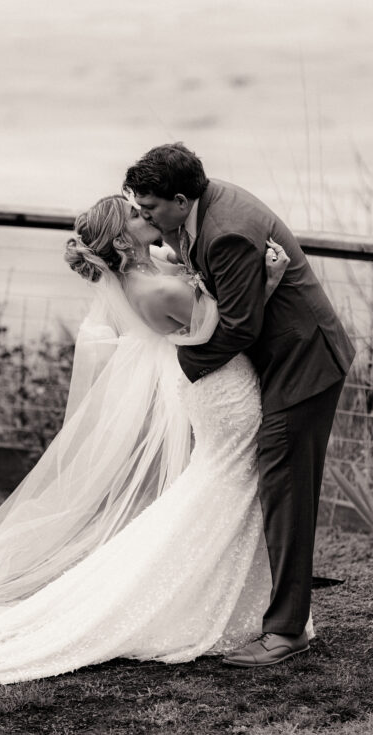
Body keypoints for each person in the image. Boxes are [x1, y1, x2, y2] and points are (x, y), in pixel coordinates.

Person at [0, 194, 296, 692]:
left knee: (225, 484)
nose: (149, 218)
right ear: (123, 239)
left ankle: (237, 597)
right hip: (222, 391)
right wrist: (269, 282)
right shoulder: (155, 289)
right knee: (226, 484)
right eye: (139, 216)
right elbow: (234, 328)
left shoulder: (149, 270)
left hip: (211, 386)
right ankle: (199, 597)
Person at [124, 143, 355, 668]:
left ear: (181, 200)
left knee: (285, 486)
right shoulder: (205, 210)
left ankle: (286, 631)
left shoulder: (226, 230)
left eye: (150, 208)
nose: (144, 217)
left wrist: (182, 366)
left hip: (303, 364)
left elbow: (239, 326)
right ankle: (274, 614)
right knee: (276, 481)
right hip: (279, 360)